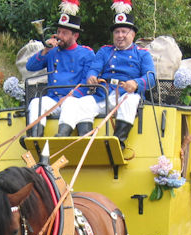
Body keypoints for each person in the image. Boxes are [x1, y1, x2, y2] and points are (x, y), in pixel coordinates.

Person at [65, 5, 155, 153]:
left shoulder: (143, 54)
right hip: (104, 94)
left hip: (126, 94)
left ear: (133, 35)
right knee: (83, 103)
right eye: (117, 32)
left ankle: (117, 143)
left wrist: (136, 83)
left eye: (124, 32)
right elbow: (94, 68)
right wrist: (91, 76)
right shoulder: (105, 51)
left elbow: (151, 77)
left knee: (131, 100)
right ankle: (86, 144)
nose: (120, 36)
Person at [25, 4, 95, 137]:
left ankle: (61, 136)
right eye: (58, 32)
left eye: (64, 33)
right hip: (53, 99)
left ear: (75, 35)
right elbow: (30, 67)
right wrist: (45, 50)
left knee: (70, 103)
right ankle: (34, 137)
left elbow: (86, 83)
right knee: (36, 102)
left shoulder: (86, 53)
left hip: (74, 100)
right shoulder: (52, 52)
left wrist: (71, 95)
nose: (59, 36)